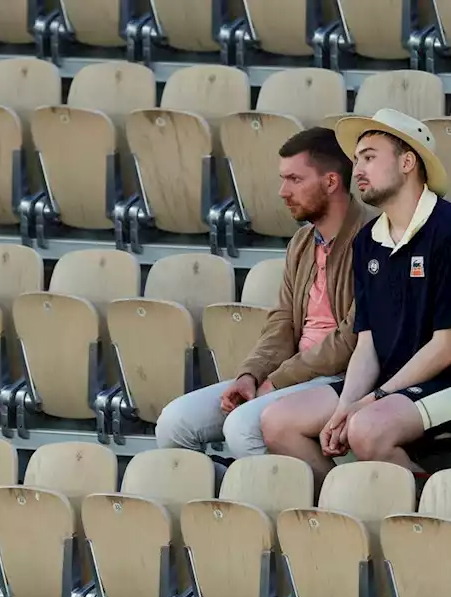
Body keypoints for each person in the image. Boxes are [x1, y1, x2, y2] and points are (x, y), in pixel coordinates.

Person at [259, 109, 451, 480]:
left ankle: (427, 512)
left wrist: (372, 400)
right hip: (391, 384)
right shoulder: (368, 241)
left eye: (370, 157)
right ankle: (343, 511)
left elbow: (447, 347)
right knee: (277, 421)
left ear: (407, 162)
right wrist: (345, 406)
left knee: (367, 429)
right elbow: (367, 345)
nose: (357, 169)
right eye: (356, 159)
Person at [154, 127, 371, 458]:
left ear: (330, 182)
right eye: (283, 179)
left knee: (242, 427)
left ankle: (291, 502)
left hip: (342, 379)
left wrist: (279, 379)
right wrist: (249, 374)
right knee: (174, 423)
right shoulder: (301, 242)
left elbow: (350, 338)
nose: (283, 191)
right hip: (292, 373)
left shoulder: (373, 240)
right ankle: (231, 497)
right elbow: (281, 321)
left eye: (295, 180)